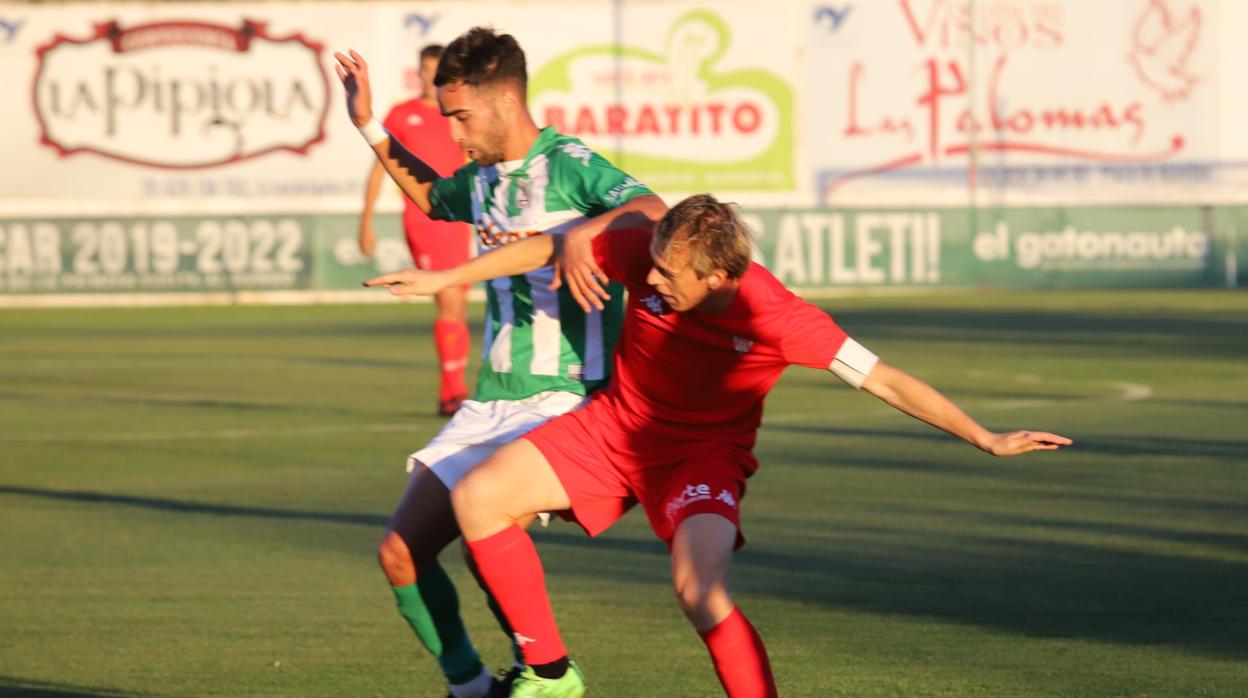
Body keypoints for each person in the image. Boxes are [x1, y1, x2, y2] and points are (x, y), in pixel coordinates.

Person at [365, 194, 1073, 697]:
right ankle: (550, 675)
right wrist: (445, 277)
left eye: (667, 275)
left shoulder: (779, 316)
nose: (647, 279)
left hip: (700, 459)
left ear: (719, 278)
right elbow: (553, 246)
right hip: (611, 430)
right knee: (478, 498)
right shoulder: (646, 250)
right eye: (652, 264)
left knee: (699, 592)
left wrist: (984, 436)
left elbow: (882, 379)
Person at [334, 27, 668, 698]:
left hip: (568, 395)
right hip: (494, 399)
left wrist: (586, 231)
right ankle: (473, 688)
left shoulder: (568, 163)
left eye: (460, 116)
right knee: (400, 553)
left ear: (506, 101)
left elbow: (653, 209)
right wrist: (367, 124)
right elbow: (431, 196)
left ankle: (550, 674)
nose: (452, 134)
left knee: (491, 523)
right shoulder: (484, 177)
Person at [358, 44, 473, 416]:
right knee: (450, 299)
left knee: (456, 303)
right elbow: (380, 167)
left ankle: (454, 390)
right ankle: (452, 392)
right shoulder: (403, 114)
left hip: (457, 221)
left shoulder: (456, 114)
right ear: (418, 72)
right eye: (424, 69)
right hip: (424, 219)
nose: (429, 75)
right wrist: (366, 221)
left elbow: (471, 161)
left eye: (435, 69)